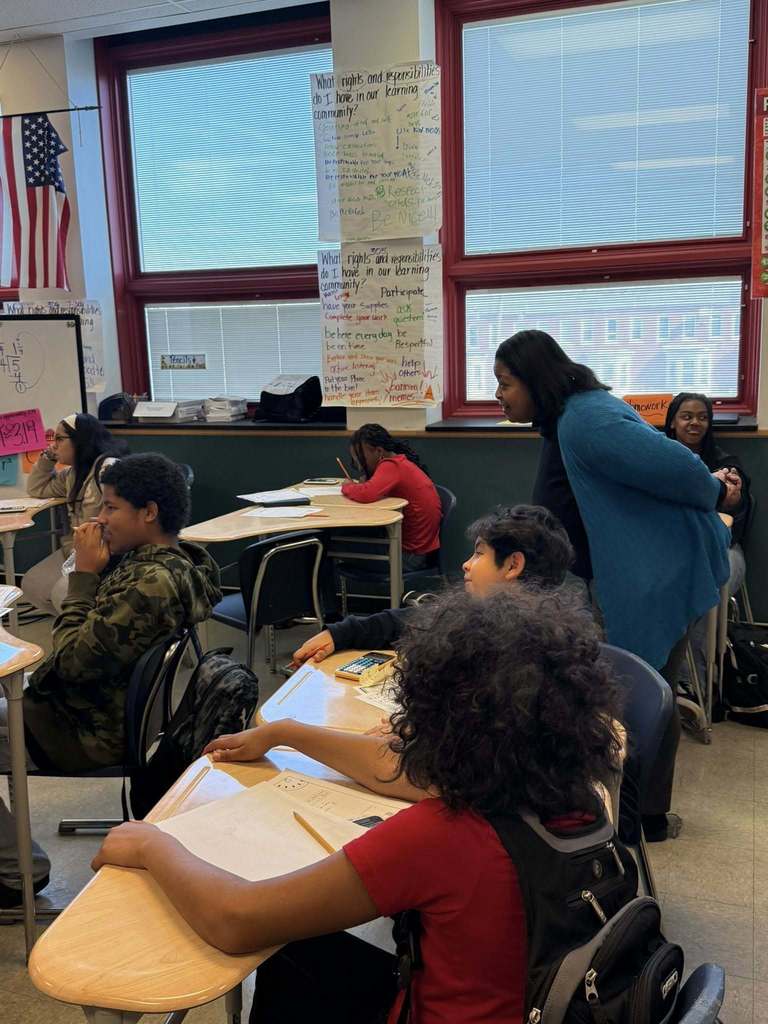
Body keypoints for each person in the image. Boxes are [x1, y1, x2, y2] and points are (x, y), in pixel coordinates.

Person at [93, 588, 624, 1024]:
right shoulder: (566, 791)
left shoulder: (442, 837)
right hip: (530, 1005)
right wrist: (285, 734)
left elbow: (237, 918)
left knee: (286, 948)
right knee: (305, 951)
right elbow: (392, 770)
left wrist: (153, 844)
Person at [494, 330, 732, 842]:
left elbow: (681, 469)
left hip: (656, 575)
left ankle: (642, 818)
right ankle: (636, 811)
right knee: (631, 691)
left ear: (537, 380)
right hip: (632, 572)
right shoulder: (566, 419)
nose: (499, 395)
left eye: (506, 383)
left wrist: (716, 488)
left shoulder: (588, 417)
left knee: (642, 696)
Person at [0, 453, 221, 906]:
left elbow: (71, 662)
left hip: (82, 729)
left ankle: (14, 873)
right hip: (96, 714)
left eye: (110, 507)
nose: (100, 519)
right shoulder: (173, 565)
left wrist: (83, 577)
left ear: (149, 512)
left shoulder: (148, 583)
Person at [292, 503, 573, 666]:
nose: (466, 564)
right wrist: (340, 633)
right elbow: (415, 619)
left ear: (513, 565)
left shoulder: (525, 657)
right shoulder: (485, 619)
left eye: (478, 553)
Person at [22, 413, 128, 616]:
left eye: (60, 439)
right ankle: (74, 627)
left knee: (62, 593)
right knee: (33, 584)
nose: (54, 445)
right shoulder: (73, 474)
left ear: (80, 441)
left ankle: (86, 633)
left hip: (104, 553)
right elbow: (37, 488)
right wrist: (47, 458)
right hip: (75, 548)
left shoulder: (107, 467)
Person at [341, 423, 441, 572]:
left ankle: (326, 595)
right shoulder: (400, 462)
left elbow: (366, 494)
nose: (360, 466)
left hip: (408, 557)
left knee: (333, 545)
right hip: (422, 552)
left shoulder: (390, 465)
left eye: (361, 459)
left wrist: (347, 486)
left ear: (378, 451)